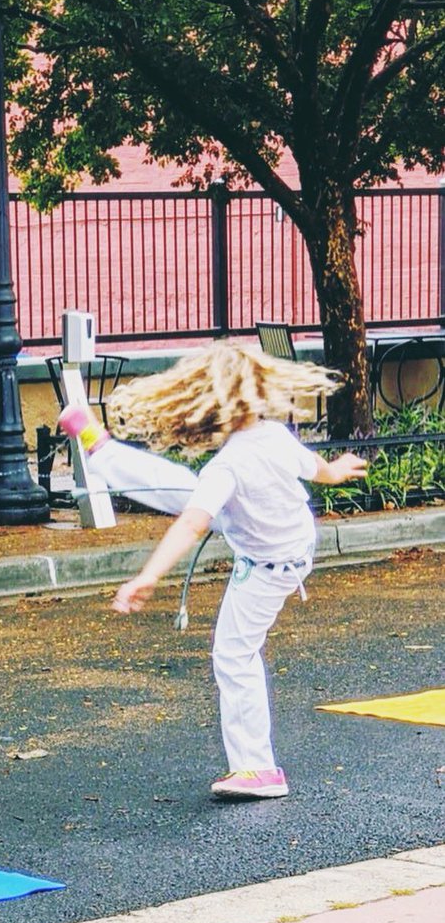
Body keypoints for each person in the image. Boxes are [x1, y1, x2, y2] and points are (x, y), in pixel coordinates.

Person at [58, 340, 367, 800]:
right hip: (292, 543)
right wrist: (337, 471)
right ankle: (101, 449)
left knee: (234, 655)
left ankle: (258, 769)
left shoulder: (228, 466)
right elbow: (314, 467)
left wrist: (148, 576)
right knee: (189, 490)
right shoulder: (274, 436)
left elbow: (192, 525)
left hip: (268, 566)